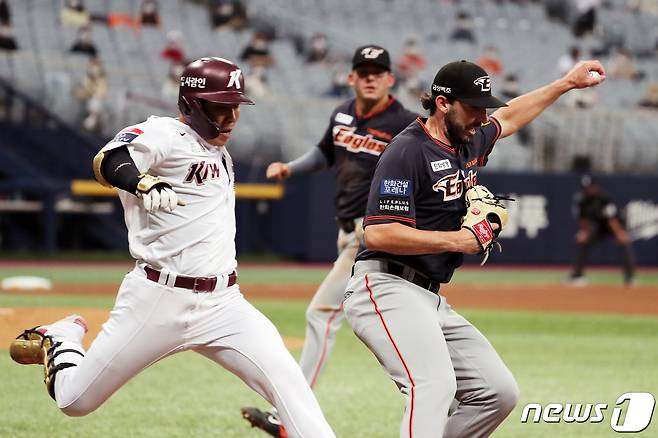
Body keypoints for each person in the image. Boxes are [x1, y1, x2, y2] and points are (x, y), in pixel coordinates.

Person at [9, 57, 335, 438]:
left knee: (292, 391)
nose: (230, 117)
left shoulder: (217, 148)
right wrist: (143, 183)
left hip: (224, 304)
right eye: (219, 106)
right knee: (74, 401)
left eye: (234, 107)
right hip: (156, 299)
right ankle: (62, 337)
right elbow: (109, 159)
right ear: (191, 104)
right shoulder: (164, 134)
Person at [341, 58, 605, 437]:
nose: (482, 117)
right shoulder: (408, 151)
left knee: (496, 392)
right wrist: (459, 240)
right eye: (474, 107)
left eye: (485, 107)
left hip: (428, 296)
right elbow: (379, 235)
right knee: (432, 386)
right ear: (443, 103)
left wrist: (565, 83)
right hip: (384, 288)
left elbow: (510, 119)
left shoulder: (465, 141)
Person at [240, 45, 418, 438]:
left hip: (372, 235)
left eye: (378, 71)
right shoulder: (341, 114)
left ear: (391, 79)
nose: (370, 77)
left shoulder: (405, 123)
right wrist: (291, 167)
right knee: (394, 319)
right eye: (363, 70)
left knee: (321, 315)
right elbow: (325, 152)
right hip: (349, 231)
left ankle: (287, 415)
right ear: (351, 77)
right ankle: (441, 388)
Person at [569, 176, 635, 286]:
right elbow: (583, 220)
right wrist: (584, 232)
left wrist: (619, 233)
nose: (588, 190)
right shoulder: (582, 200)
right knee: (581, 240)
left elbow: (611, 219)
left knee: (624, 241)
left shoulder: (604, 199)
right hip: (598, 228)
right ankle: (578, 276)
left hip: (613, 225)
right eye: (585, 188)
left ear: (595, 187)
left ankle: (630, 277)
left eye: (589, 187)